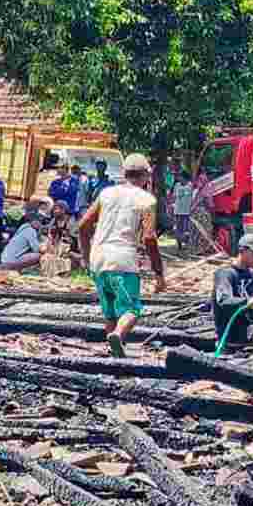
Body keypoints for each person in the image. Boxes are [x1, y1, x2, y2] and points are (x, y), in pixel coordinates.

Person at [78, 153, 165, 358]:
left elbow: (83, 226)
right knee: (131, 310)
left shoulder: (106, 194)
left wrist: (85, 256)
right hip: (123, 259)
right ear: (145, 177)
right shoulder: (146, 199)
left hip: (98, 258)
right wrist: (159, 273)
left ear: (125, 174)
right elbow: (150, 238)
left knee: (110, 312)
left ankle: (114, 354)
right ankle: (118, 334)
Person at [172, 173, 196, 253]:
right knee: (178, 229)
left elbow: (193, 197)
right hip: (178, 210)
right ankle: (179, 245)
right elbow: (174, 196)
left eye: (181, 177)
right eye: (179, 177)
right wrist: (171, 206)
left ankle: (186, 245)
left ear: (185, 178)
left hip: (186, 211)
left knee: (186, 229)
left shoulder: (190, 186)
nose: (179, 179)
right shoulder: (177, 185)